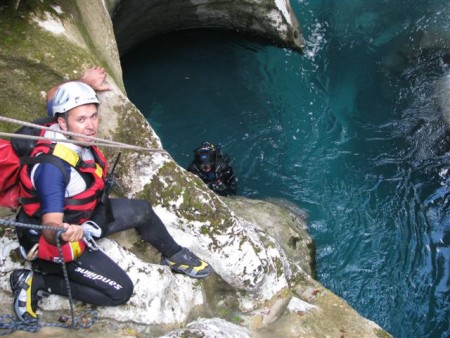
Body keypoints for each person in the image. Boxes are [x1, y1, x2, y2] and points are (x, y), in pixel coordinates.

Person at [10, 78, 212, 322]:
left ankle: (174, 255)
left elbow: (55, 95)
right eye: (81, 120)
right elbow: (50, 226)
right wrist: (65, 232)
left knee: (143, 210)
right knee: (119, 292)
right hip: (55, 242)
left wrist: (85, 84)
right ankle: (37, 281)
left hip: (86, 215)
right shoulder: (52, 170)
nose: (90, 126)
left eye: (93, 116)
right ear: (62, 121)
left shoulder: (64, 128)